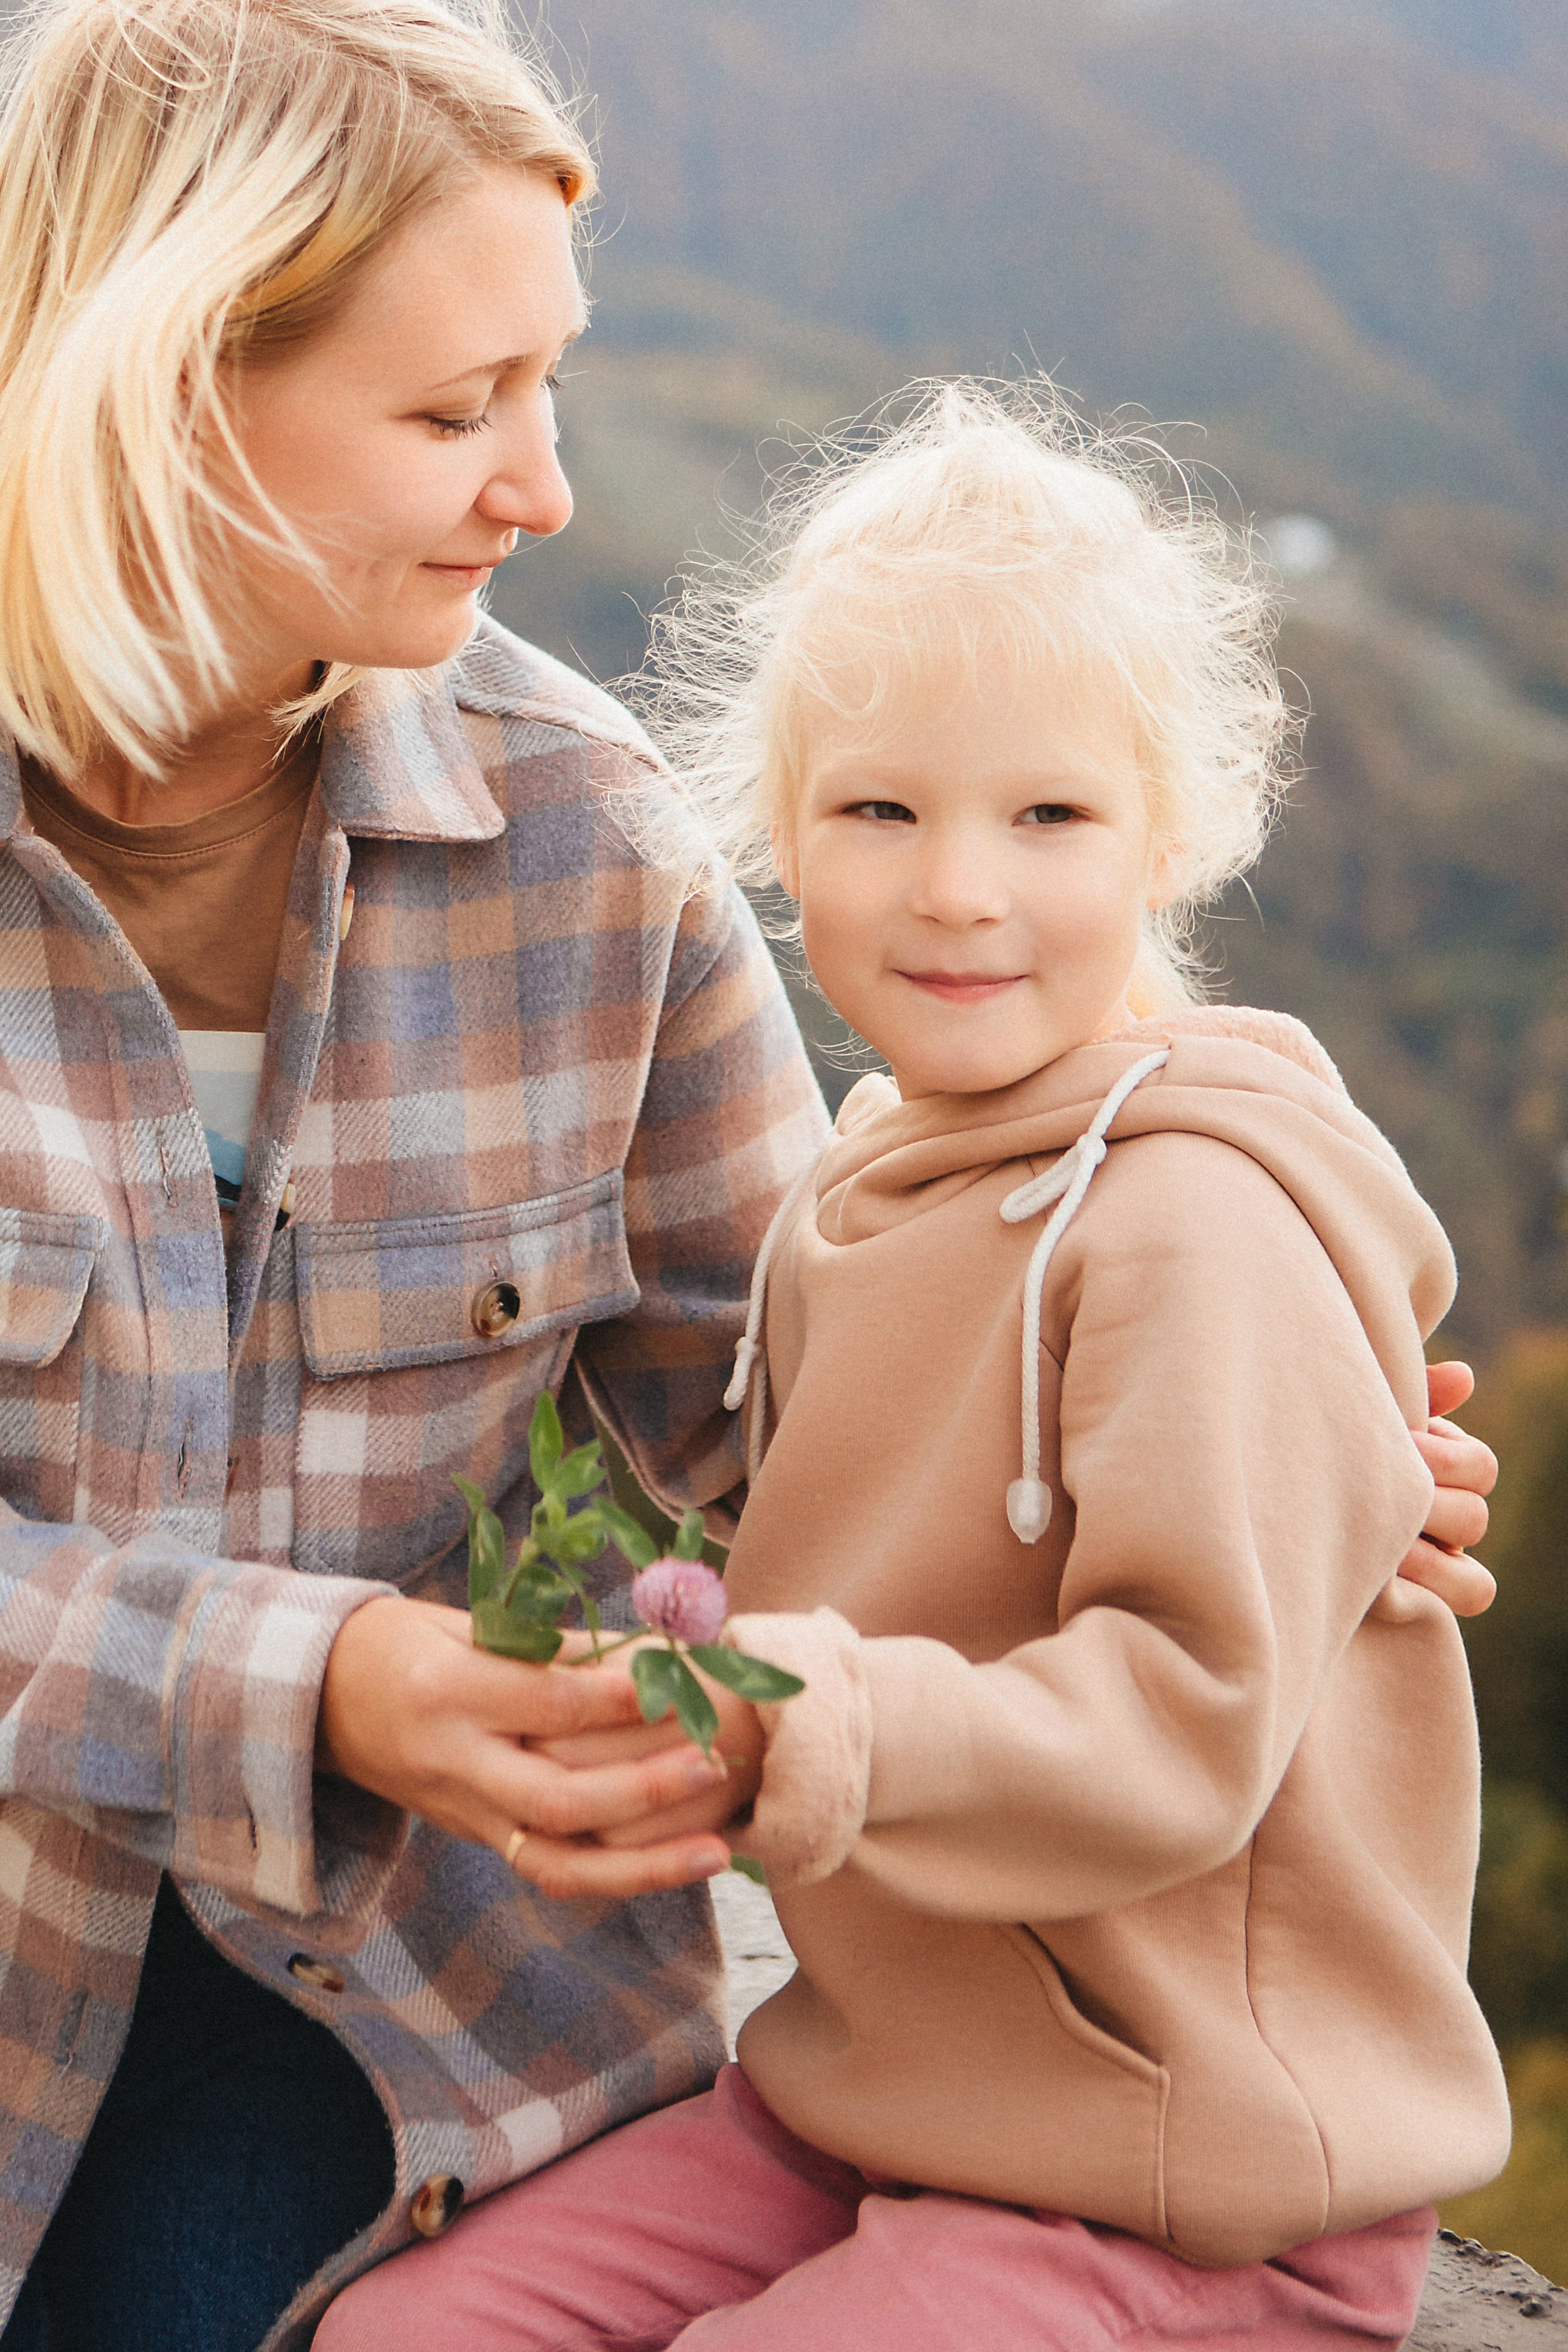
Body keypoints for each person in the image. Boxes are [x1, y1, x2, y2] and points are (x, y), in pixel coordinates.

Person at [0, 5, 1493, 2347]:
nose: (545, 488)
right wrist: (319, 1676)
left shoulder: (586, 856)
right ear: (166, 394)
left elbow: (759, 1449)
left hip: (413, 1978)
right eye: (449, 409)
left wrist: (1263, 1454)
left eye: (551, 383)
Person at [314, 386, 1512, 2352]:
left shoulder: (1189, 1225)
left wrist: (793, 1728)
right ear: (781, 835)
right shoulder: (858, 1193)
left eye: (1048, 814)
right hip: (871, 2092)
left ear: (1172, 833)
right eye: (881, 809)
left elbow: (1182, 1731)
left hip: (1185, 2172)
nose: (959, 886)